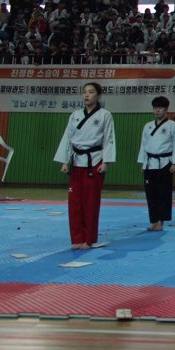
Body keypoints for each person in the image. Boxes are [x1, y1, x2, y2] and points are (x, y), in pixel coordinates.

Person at [53, 82, 116, 250]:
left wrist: (106, 162)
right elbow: (68, 138)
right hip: (76, 162)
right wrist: (65, 161)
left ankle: (88, 240)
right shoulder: (75, 115)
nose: (87, 95)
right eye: (84, 92)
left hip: (94, 162)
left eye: (91, 92)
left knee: (91, 203)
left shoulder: (105, 115)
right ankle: (77, 239)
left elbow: (109, 139)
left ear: (98, 96)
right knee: (74, 203)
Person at [137, 96, 175, 232]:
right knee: (151, 193)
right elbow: (143, 145)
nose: (157, 110)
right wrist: (143, 163)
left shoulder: (173, 126)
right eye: (155, 108)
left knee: (163, 193)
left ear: (166, 109)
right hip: (150, 163)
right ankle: (154, 221)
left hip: (165, 163)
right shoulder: (148, 126)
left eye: (160, 108)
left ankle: (161, 221)